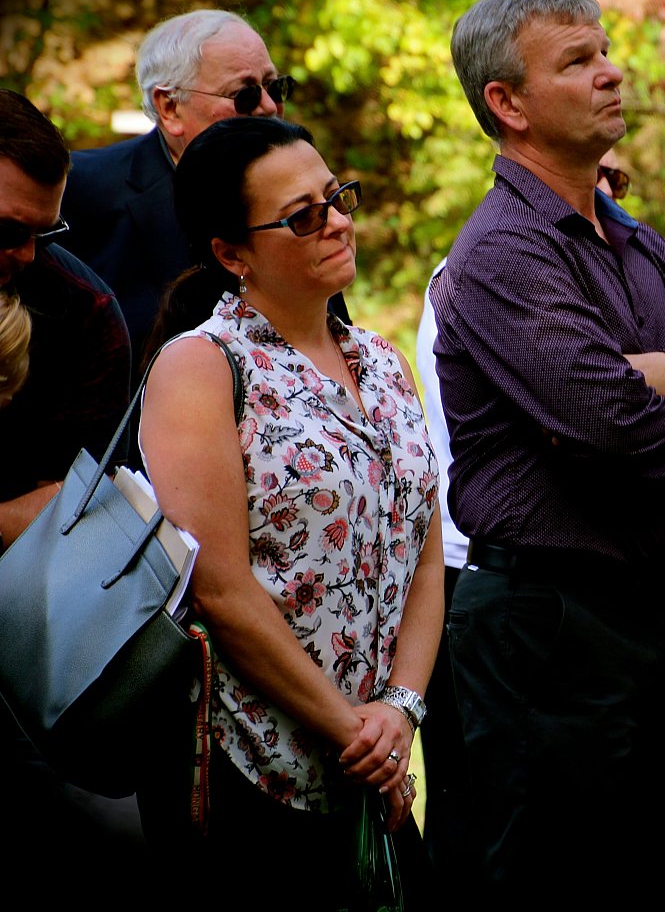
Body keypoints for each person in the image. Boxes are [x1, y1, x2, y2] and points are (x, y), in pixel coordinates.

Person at [429, 0, 665, 909]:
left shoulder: (629, 236)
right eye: (578, 61)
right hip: (549, 628)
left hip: (651, 616)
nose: (611, 71)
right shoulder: (504, 251)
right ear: (506, 104)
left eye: (605, 51)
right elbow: (618, 428)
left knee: (641, 885)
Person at [135, 116, 443, 898]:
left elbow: (424, 549)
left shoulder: (382, 359)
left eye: (336, 196)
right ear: (232, 253)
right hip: (255, 773)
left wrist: (400, 710)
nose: (338, 219)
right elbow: (220, 588)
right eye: (302, 214)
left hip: (376, 761)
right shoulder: (201, 367)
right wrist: (352, 728)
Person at [411, 152, 632, 883]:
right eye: (587, 182)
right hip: (488, 575)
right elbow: (588, 431)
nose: (603, 201)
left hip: (603, 584)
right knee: (487, 823)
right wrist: (658, 387)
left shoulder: (626, 285)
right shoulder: (480, 279)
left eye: (615, 183)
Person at [0, 89, 138, 902]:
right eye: (4, 229)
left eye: (40, 232)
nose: (23, 253)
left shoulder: (80, 311)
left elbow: (76, 513)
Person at [59, 8, 344, 364]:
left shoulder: (295, 188)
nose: (270, 106)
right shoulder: (81, 189)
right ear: (170, 107)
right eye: (245, 95)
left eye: (275, 87)